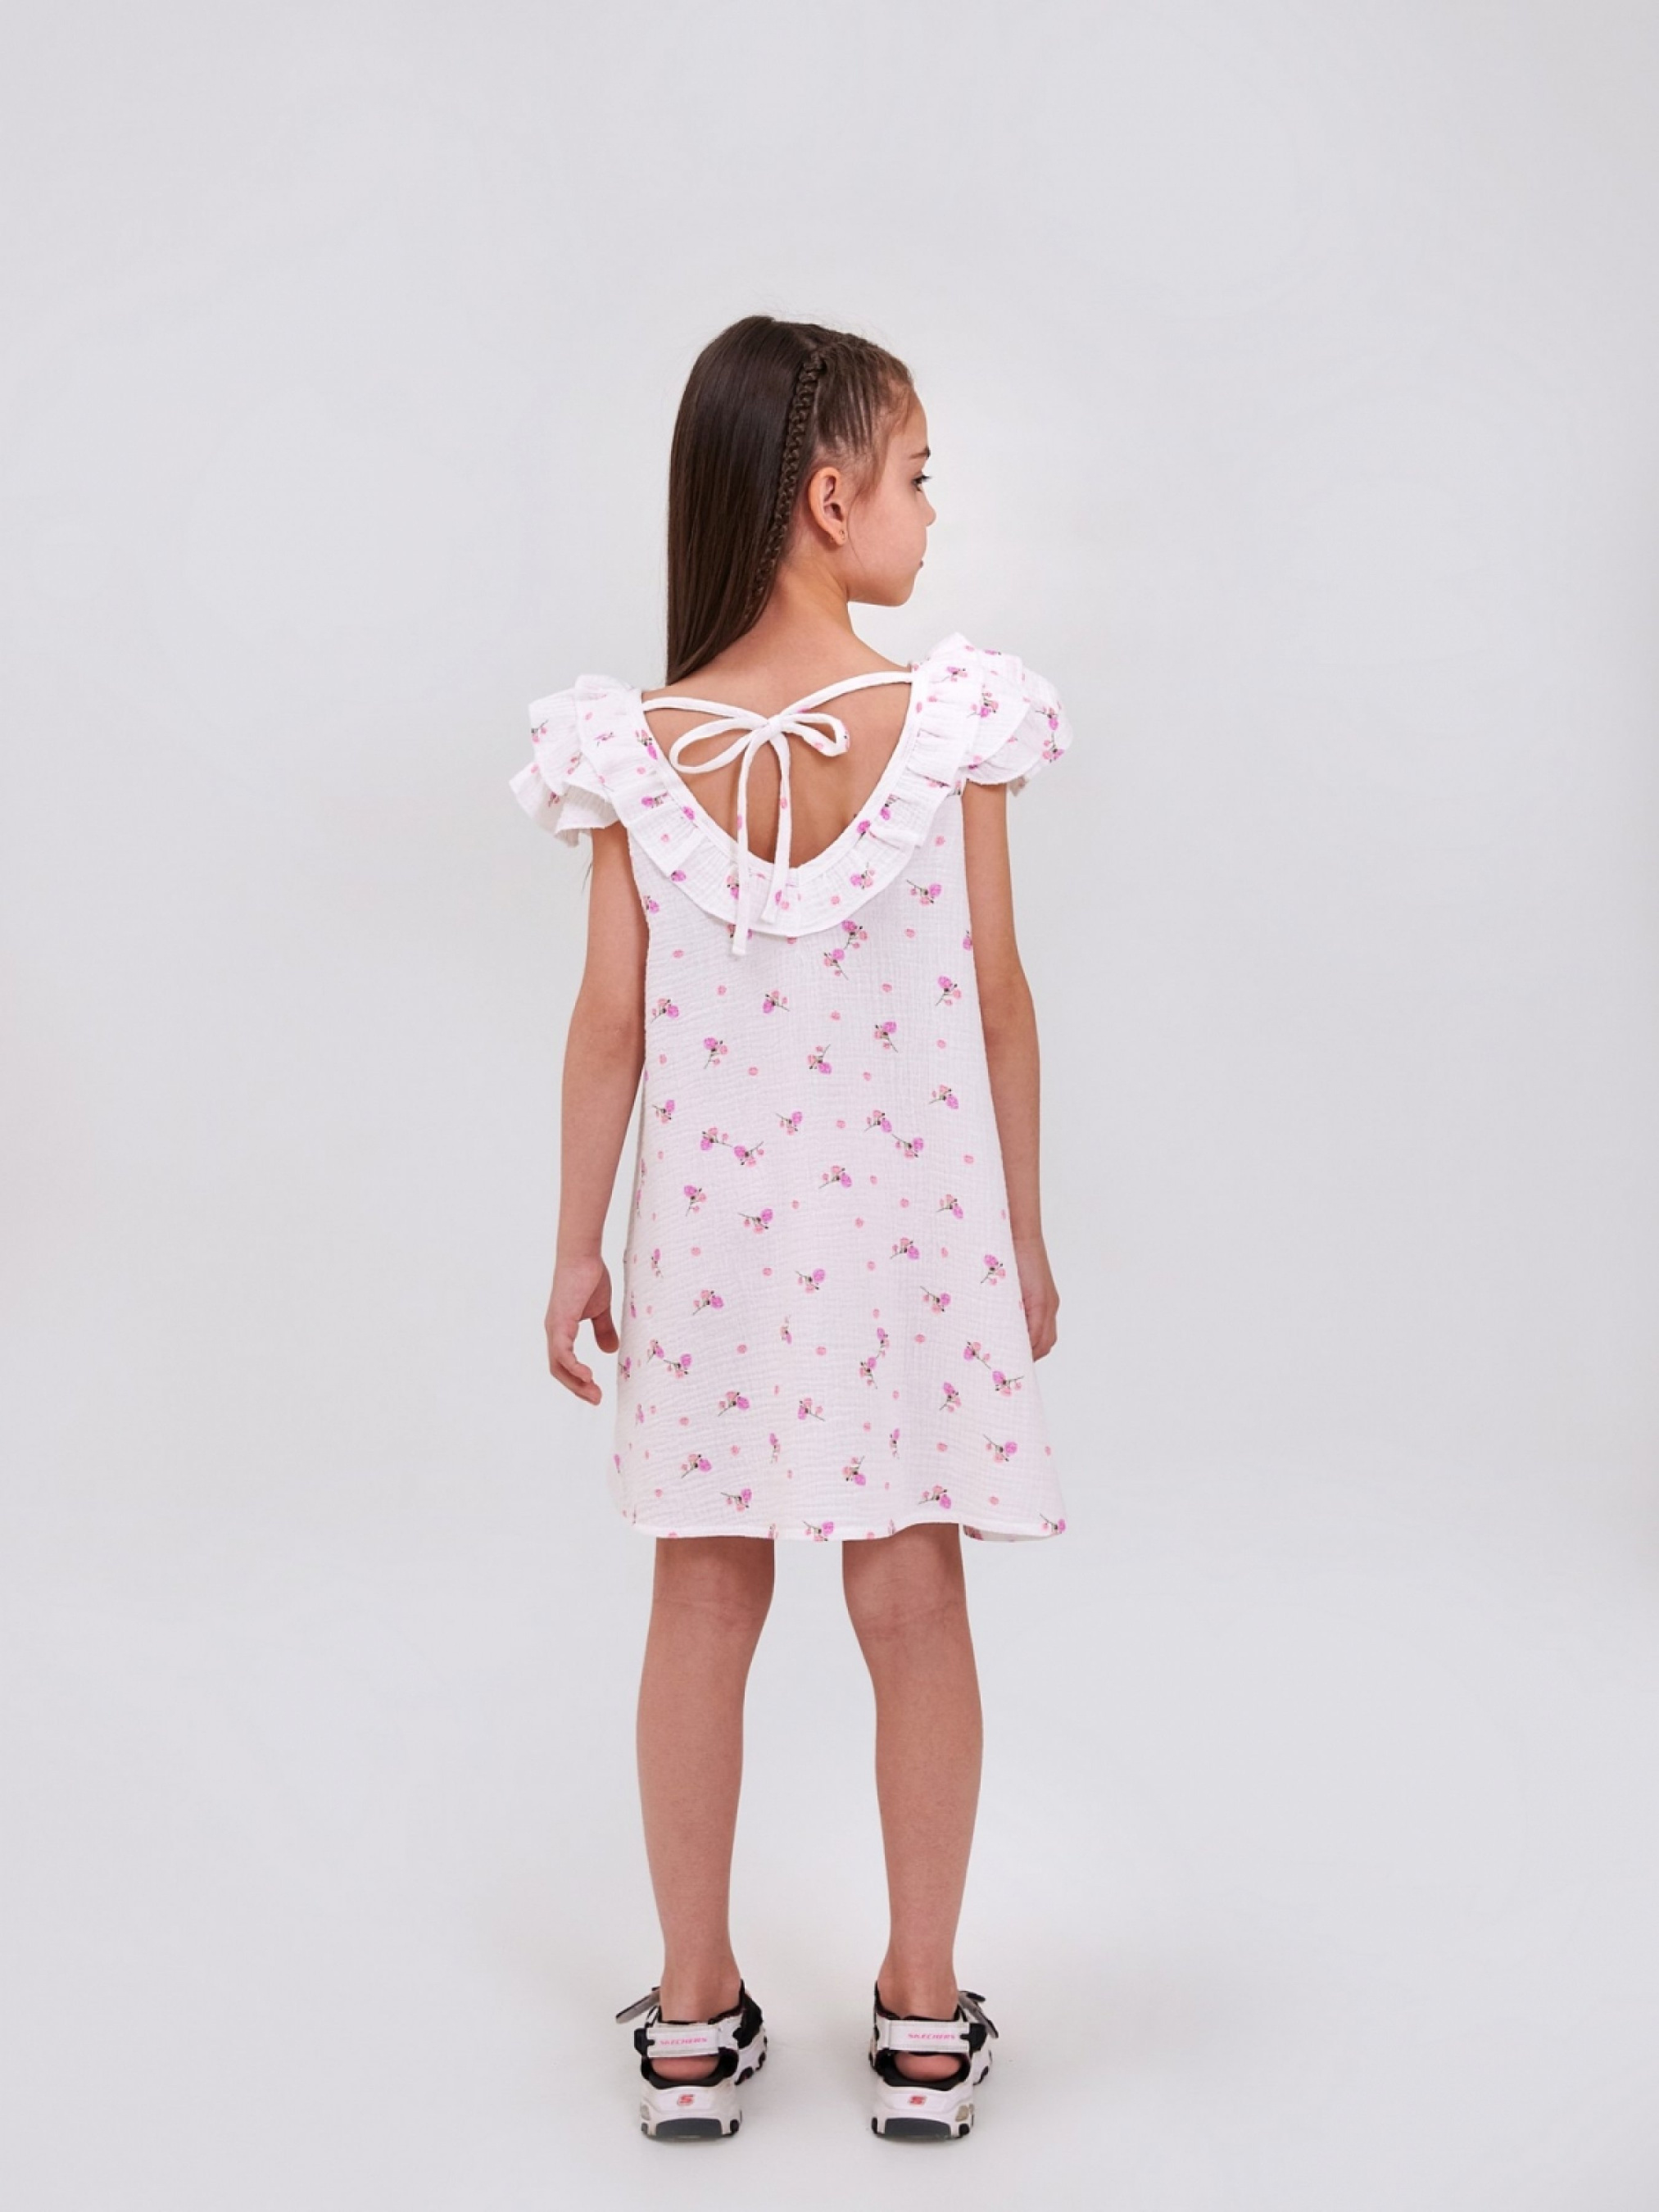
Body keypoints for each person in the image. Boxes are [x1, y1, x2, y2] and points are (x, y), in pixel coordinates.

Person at [509, 315, 1074, 2142]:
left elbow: (609, 1024)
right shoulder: (952, 722)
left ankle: (691, 2021)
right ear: (831, 500)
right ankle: (921, 2019)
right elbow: (997, 999)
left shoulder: (633, 747)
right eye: (916, 476)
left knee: (699, 1596)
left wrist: (577, 1246)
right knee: (911, 1598)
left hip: (716, 1251)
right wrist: (1022, 1235)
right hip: (911, 1245)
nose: (932, 511)